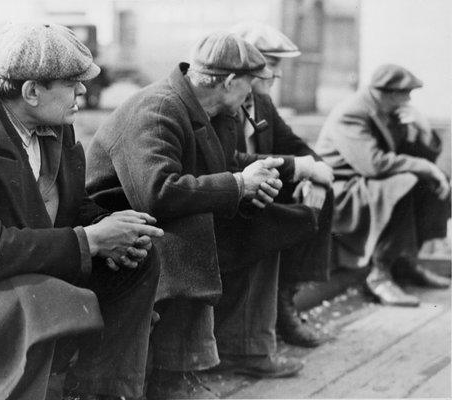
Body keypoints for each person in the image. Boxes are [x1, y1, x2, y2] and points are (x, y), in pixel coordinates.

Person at [86, 31, 307, 399]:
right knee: (191, 230)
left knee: (267, 223)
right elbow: (156, 193)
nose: (251, 95)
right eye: (249, 84)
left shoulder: (211, 109)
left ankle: (246, 347)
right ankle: (174, 376)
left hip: (155, 216)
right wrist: (237, 185)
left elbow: (220, 165)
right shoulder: (157, 110)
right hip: (116, 222)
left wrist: (254, 184)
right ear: (229, 82)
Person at [0, 23, 164, 400]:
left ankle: (102, 391)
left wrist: (109, 227)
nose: (83, 89)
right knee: (48, 301)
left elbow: (70, 205)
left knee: (138, 259)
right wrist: (89, 241)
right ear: (31, 91)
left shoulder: (51, 118)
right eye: (72, 82)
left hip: (25, 260)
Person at [212, 22, 334, 351]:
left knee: (321, 194)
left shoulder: (261, 102)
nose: (275, 74)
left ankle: (286, 298)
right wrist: (299, 167)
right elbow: (228, 159)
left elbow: (290, 141)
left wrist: (315, 168)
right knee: (285, 213)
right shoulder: (223, 101)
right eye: (271, 64)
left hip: (256, 190)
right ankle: (262, 327)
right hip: (228, 198)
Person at [315, 63, 450, 307]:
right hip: (341, 188)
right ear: (386, 92)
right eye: (405, 94)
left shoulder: (387, 111)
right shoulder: (352, 112)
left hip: (368, 183)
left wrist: (421, 129)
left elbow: (416, 157)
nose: (408, 100)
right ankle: (379, 274)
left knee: (432, 182)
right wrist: (423, 167)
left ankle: (403, 260)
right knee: (404, 182)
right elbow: (373, 164)